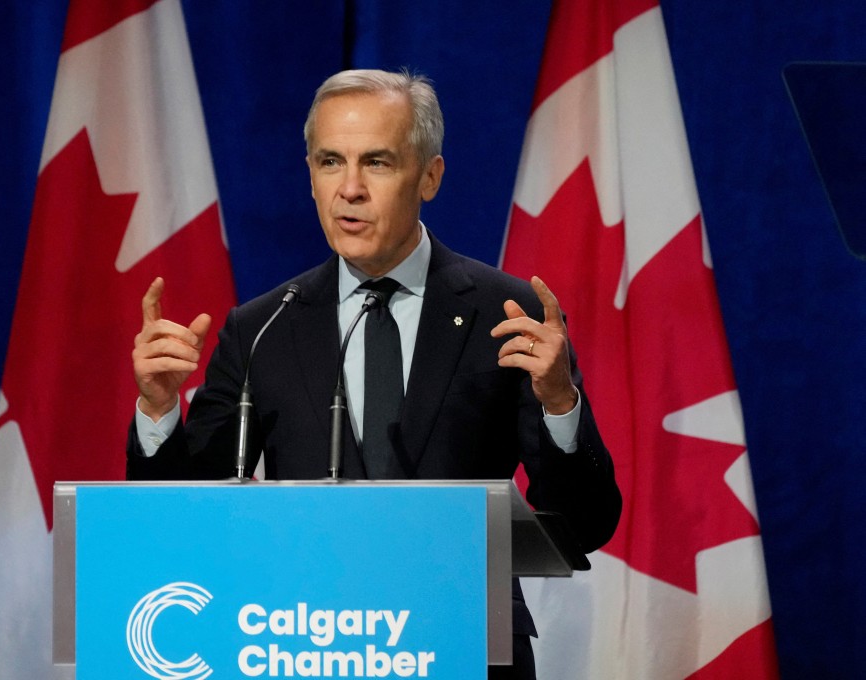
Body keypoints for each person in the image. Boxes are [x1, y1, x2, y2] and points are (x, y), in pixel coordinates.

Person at [127, 69, 621, 679]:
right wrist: (158, 411)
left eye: (378, 163)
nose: (350, 189)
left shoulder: (506, 314)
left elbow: (586, 525)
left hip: (464, 646)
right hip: (304, 646)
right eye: (330, 161)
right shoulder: (263, 328)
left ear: (430, 177)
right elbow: (181, 518)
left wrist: (559, 404)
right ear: (310, 175)